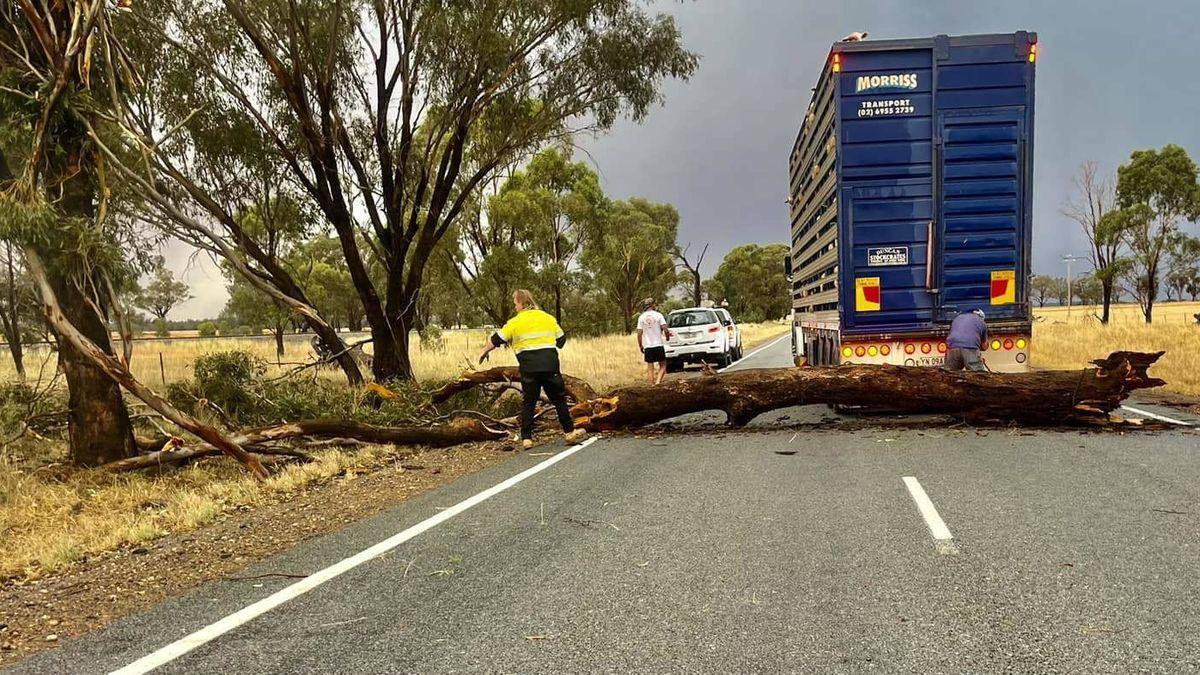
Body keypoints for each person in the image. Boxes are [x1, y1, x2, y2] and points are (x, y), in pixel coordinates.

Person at [478, 290, 585, 449]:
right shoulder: (548, 318)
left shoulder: (515, 322)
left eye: (515, 303)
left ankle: (526, 439)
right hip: (550, 365)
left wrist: (484, 351)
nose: (515, 307)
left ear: (522, 303)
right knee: (559, 399)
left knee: (529, 401)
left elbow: (496, 339)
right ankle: (569, 432)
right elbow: (561, 340)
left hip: (528, 367)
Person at [636, 298, 670, 385]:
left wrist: (640, 345)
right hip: (658, 344)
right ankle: (658, 382)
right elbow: (665, 328)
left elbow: (639, 333)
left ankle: (651, 385)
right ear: (652, 305)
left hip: (648, 346)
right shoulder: (659, 315)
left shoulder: (641, 317)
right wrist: (667, 337)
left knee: (650, 368)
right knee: (663, 366)